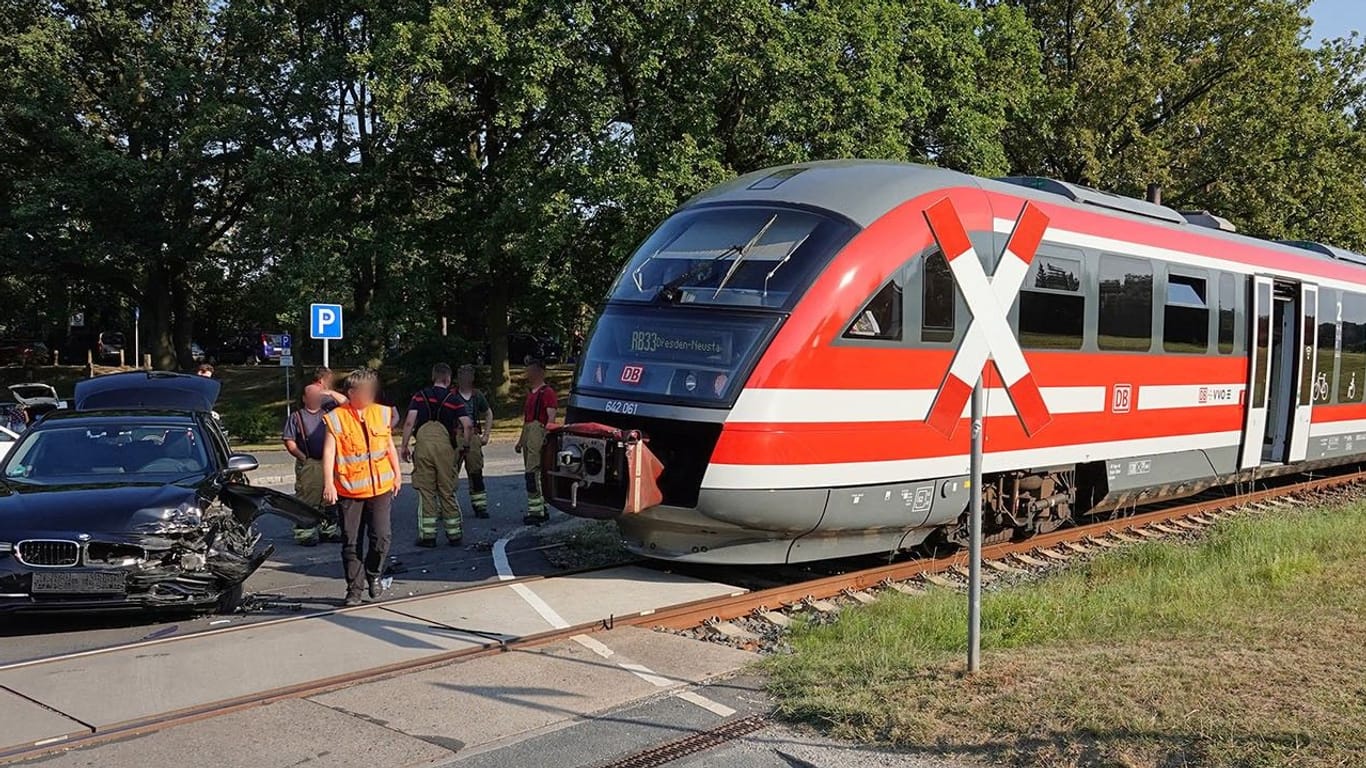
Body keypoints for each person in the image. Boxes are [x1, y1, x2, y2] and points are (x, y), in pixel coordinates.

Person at [321, 369, 402, 606]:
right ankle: (354, 590)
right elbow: (329, 452)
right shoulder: (336, 418)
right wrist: (329, 483)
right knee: (351, 541)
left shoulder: (382, 414)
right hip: (349, 490)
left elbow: (388, 446)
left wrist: (397, 474)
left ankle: (374, 574)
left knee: (381, 537)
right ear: (352, 392)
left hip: (380, 488)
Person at [399, 363, 473, 546]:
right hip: (445, 447)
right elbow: (467, 424)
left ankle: (428, 537)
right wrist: (465, 445)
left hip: (423, 447)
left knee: (426, 491)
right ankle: (454, 534)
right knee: (447, 490)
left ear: (433, 377)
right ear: (448, 379)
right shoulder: (453, 399)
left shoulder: (420, 396)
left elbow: (409, 422)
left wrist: (404, 445)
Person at [281, 384, 343, 546]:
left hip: (328, 462)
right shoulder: (296, 417)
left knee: (329, 499)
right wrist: (303, 458)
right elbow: (289, 441)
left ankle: (328, 530)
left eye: (318, 396)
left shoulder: (328, 414)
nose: (316, 399)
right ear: (304, 399)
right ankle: (305, 533)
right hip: (310, 463)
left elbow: (346, 404)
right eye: (312, 395)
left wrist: (330, 392)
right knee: (308, 498)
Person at [514, 359, 557, 525]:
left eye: (531, 371)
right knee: (530, 471)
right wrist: (520, 441)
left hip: (538, 434)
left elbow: (551, 417)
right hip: (529, 434)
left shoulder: (547, 392)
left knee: (532, 473)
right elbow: (526, 421)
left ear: (540, 372)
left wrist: (546, 436)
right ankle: (540, 507)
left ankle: (537, 511)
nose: (528, 375)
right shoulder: (532, 394)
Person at [454, 364, 493, 518]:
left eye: (468, 376)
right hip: (456, 435)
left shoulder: (477, 396)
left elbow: (489, 413)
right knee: (450, 472)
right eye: (462, 376)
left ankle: (480, 506)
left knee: (476, 471)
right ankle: (446, 506)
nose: (465, 379)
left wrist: (486, 435)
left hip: (474, 437)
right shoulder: (452, 396)